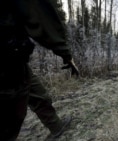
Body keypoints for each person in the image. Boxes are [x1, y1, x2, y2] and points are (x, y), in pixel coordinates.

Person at [0, 0, 79, 140]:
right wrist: (65, 53)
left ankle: (56, 127)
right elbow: (38, 16)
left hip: (15, 62)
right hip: (7, 66)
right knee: (9, 121)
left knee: (39, 94)